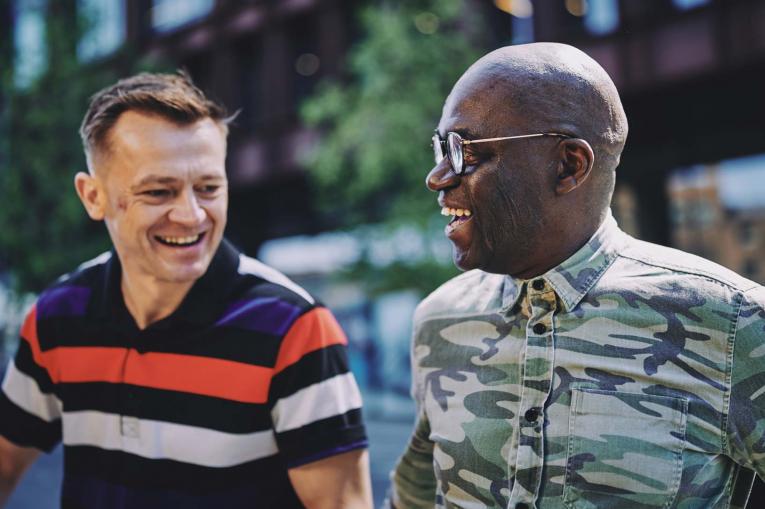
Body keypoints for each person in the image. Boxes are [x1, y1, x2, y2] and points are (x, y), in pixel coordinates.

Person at [389, 42, 765, 509]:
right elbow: (415, 494)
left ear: (569, 166)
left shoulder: (735, 324)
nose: (438, 176)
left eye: (463, 150)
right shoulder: (439, 320)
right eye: (440, 147)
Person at [0, 72, 372, 509]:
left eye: (209, 188)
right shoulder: (56, 318)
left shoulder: (296, 330)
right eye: (159, 191)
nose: (192, 215)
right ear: (93, 196)